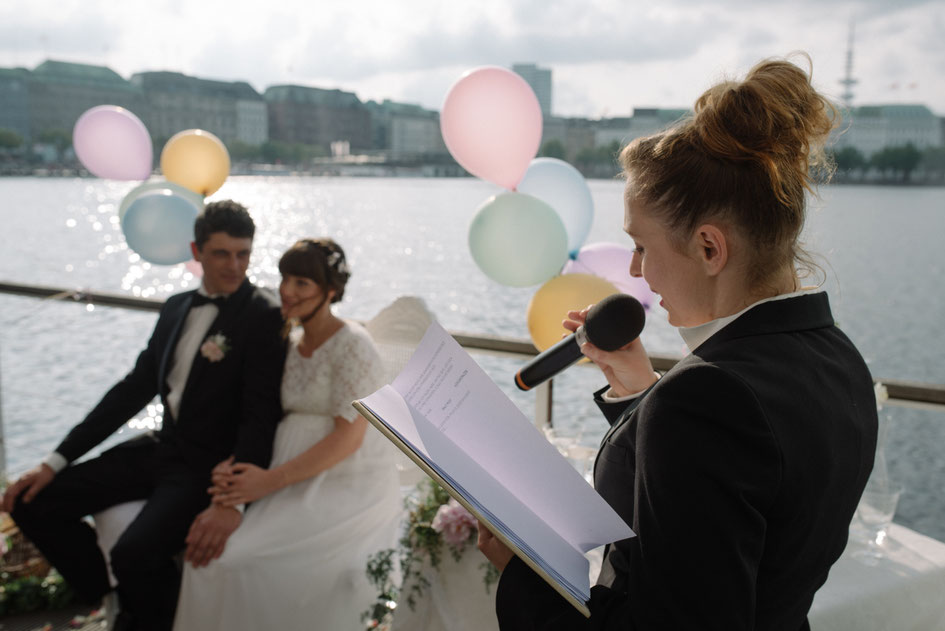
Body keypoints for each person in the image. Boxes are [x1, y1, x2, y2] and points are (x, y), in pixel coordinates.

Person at [479, 55, 879, 630]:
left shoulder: (703, 401)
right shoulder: (838, 357)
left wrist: (525, 572)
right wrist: (644, 394)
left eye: (642, 246)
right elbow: (741, 501)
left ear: (709, 248)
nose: (634, 271)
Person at [1, 200, 286, 631]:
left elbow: (260, 415)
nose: (234, 266)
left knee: (133, 553)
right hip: (159, 448)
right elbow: (131, 392)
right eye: (221, 254)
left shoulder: (263, 314)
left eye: (243, 254)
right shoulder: (175, 307)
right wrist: (54, 461)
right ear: (197, 251)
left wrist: (233, 500)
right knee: (32, 502)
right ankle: (114, 596)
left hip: (204, 467)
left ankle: (147, 618)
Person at [172, 238, 402, 631]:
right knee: (208, 558)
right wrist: (236, 466)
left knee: (238, 561)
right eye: (284, 279)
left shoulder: (353, 345)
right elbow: (264, 415)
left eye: (301, 283)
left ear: (330, 292)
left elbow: (349, 439)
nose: (286, 291)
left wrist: (269, 481)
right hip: (284, 470)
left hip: (340, 484)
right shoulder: (290, 341)